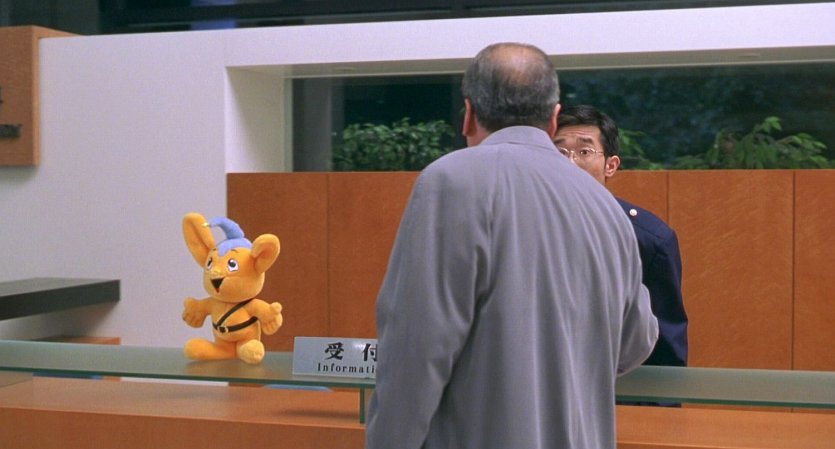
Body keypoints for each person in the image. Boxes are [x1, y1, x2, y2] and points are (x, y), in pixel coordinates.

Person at [366, 43, 658, 449]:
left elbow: (415, 350)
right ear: (553, 118)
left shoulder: (451, 182)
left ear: (468, 114)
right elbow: (636, 341)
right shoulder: (607, 208)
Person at [554, 105, 688, 372]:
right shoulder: (524, 226)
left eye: (584, 151)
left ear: (611, 165)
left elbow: (666, 350)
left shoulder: (648, 239)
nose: (570, 163)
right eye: (559, 152)